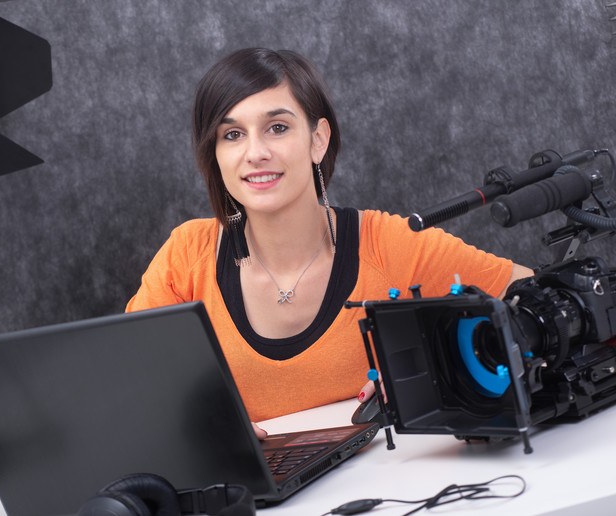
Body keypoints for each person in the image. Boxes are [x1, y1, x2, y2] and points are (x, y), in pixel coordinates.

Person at [126, 48, 533, 436]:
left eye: (278, 127)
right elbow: (125, 387)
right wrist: (198, 427)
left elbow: (534, 298)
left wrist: (442, 368)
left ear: (318, 139)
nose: (255, 152)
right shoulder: (186, 256)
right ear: (214, 153)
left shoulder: (389, 244)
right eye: (232, 134)